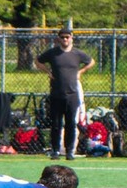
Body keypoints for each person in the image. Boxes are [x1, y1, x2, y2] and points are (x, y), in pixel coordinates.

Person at [35, 27, 95, 161]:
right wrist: (48, 72)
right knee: (56, 124)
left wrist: (80, 71)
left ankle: (69, 152)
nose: (65, 39)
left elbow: (91, 62)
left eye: (67, 37)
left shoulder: (77, 54)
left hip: (72, 94)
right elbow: (38, 61)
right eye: (62, 37)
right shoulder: (52, 53)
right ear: (58, 39)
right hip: (56, 94)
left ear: (71, 38)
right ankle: (55, 151)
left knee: (70, 124)